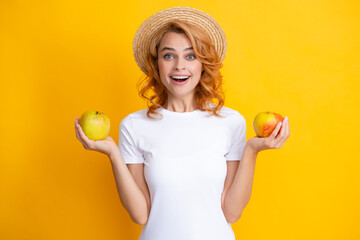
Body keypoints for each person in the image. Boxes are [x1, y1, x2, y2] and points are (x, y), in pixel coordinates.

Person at [74, 6, 290, 240]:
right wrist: (113, 153)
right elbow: (141, 215)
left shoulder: (230, 122)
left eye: (190, 56)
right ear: (157, 63)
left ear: (203, 63)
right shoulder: (133, 126)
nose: (179, 65)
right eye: (169, 55)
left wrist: (251, 150)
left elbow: (231, 212)